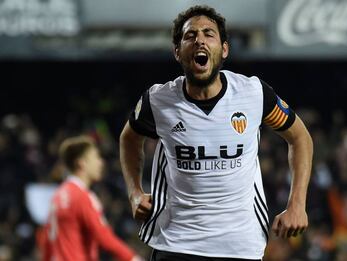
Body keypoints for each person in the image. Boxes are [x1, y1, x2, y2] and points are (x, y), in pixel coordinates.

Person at [120, 5, 313, 261]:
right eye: (190, 35)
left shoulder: (253, 94)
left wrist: (297, 205)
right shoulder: (158, 101)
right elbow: (129, 138)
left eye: (208, 34)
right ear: (177, 52)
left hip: (240, 246)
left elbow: (300, 138)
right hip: (176, 242)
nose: (199, 39)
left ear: (224, 49)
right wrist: (134, 192)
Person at [40, 135, 144, 261]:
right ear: (81, 163)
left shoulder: (57, 197)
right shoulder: (82, 197)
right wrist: (132, 257)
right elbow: (103, 236)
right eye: (96, 157)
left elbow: (47, 241)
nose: (101, 163)